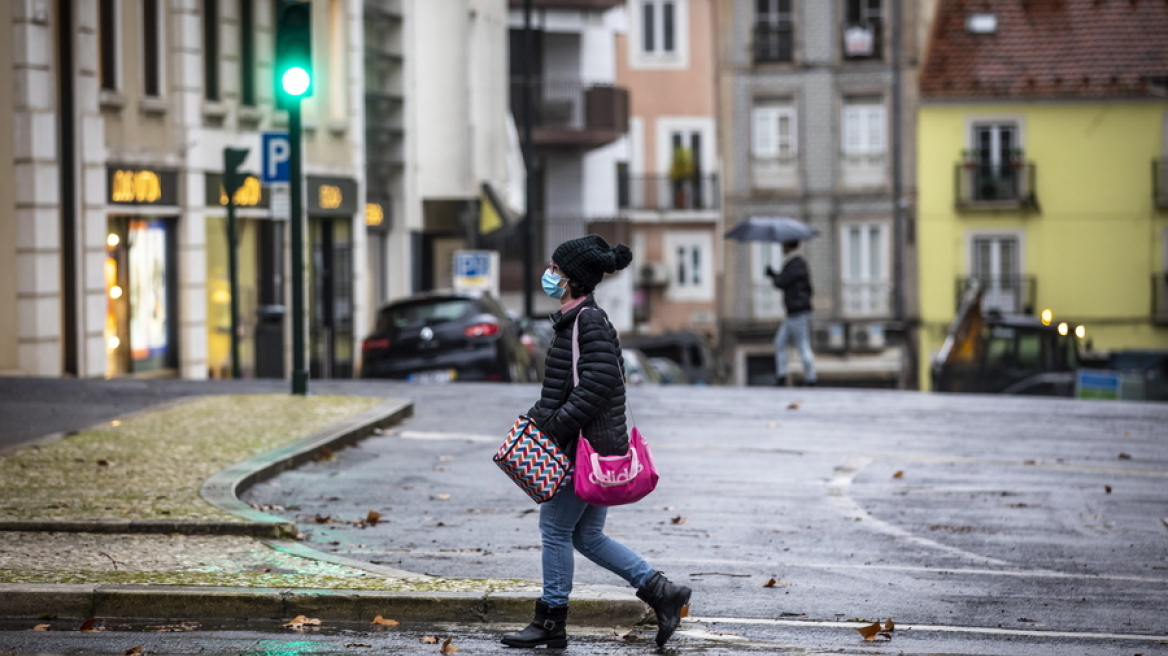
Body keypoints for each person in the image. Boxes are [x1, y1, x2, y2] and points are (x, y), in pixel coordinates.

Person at [501, 234, 692, 649]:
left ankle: (551, 620)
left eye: (555, 270)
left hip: (581, 449)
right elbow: (565, 388)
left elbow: (599, 384)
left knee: (554, 529)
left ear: (570, 279)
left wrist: (557, 428)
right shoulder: (576, 320)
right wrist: (535, 422)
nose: (548, 276)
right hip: (586, 444)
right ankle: (662, 592)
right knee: (586, 537)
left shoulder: (587, 321)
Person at [765, 240, 817, 387]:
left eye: (783, 244)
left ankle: (811, 378)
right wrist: (775, 275)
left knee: (802, 345)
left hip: (798, 312)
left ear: (788, 245)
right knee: (780, 342)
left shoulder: (796, 264)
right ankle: (781, 376)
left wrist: (772, 275)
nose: (781, 247)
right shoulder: (795, 264)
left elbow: (782, 282)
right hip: (793, 312)